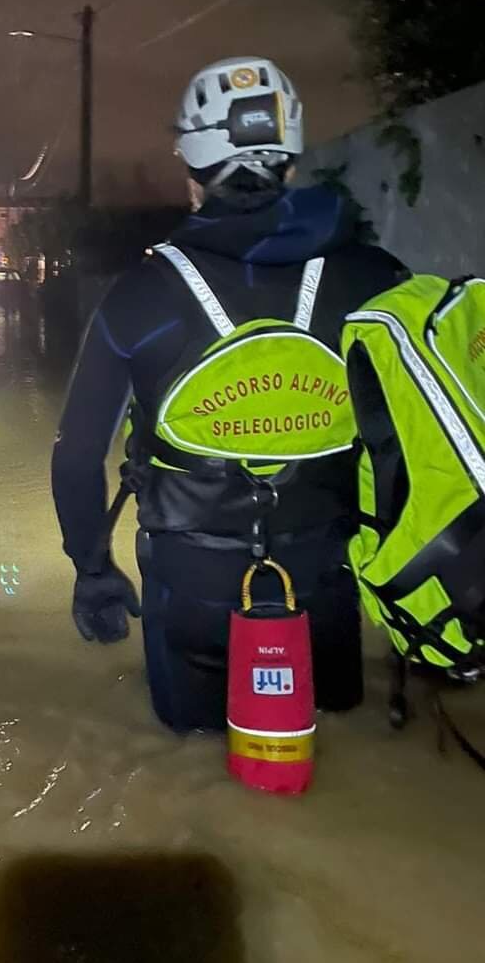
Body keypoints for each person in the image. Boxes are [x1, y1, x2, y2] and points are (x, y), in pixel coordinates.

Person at [51, 57, 407, 732]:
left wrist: (91, 567)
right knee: (331, 746)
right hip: (327, 573)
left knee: (190, 752)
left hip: (191, 581)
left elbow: (76, 456)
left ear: (191, 168)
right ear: (292, 164)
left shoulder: (140, 293)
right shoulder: (376, 279)